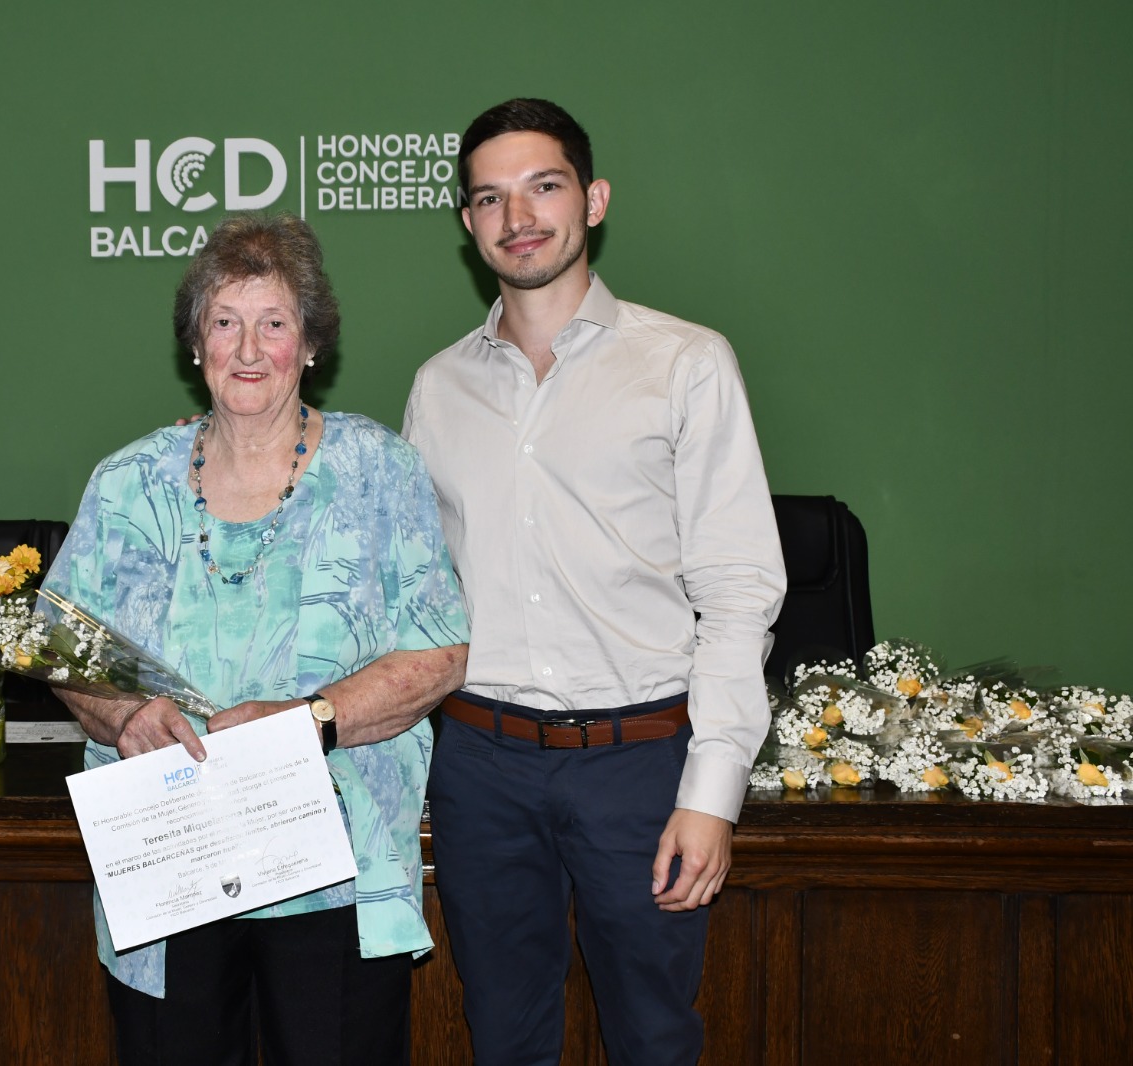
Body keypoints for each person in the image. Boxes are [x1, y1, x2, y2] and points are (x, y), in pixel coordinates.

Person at [403, 98, 786, 1065]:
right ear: (467, 222)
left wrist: (713, 793)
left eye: (544, 186)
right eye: (490, 197)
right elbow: (413, 592)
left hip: (641, 766)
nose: (518, 216)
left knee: (655, 1039)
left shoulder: (685, 363)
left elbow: (739, 590)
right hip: (481, 766)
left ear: (594, 199)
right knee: (502, 1039)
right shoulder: (438, 388)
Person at [39, 212, 470, 1066]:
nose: (247, 349)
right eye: (224, 322)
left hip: (336, 870)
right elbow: (61, 646)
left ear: (309, 344)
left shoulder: (380, 472)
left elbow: (440, 652)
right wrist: (124, 716)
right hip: (169, 863)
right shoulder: (129, 484)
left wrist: (311, 719)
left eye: (273, 323)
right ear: (195, 342)